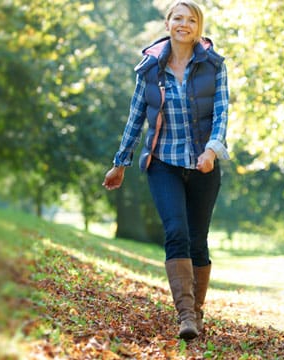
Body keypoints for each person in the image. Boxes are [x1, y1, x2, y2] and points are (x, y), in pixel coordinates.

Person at [102, 0, 229, 340]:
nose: (183, 24)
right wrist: (120, 163)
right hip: (163, 164)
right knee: (176, 233)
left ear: (198, 27)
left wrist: (212, 151)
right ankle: (185, 315)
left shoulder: (214, 66)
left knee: (198, 242)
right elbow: (135, 118)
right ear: (168, 22)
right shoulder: (150, 69)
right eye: (177, 18)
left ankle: (197, 311)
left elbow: (222, 114)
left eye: (190, 20)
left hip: (203, 166)